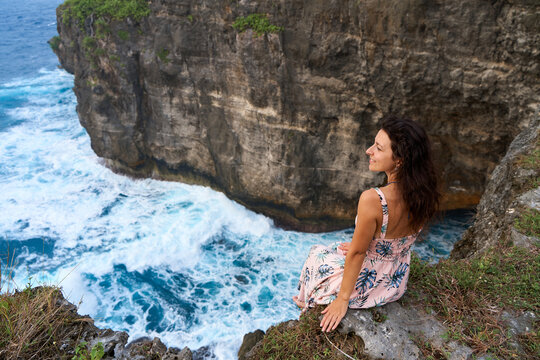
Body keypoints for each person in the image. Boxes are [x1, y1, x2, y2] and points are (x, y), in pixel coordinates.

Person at [293, 115, 440, 332]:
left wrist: (343, 299)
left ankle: (309, 304)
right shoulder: (425, 193)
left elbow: (357, 254)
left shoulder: (374, 199)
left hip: (369, 285)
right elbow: (392, 240)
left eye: (378, 148)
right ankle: (312, 302)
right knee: (338, 249)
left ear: (399, 160)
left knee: (317, 255)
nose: (368, 151)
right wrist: (364, 248)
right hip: (396, 282)